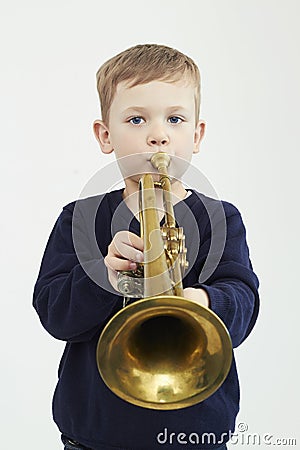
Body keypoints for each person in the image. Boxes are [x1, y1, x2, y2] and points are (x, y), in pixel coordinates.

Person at [33, 44, 259, 450]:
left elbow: (244, 303)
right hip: (94, 435)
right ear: (105, 136)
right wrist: (103, 276)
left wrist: (201, 302)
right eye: (136, 119)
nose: (158, 135)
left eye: (175, 119)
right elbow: (52, 313)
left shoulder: (221, 219)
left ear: (197, 134)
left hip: (197, 432)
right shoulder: (79, 218)